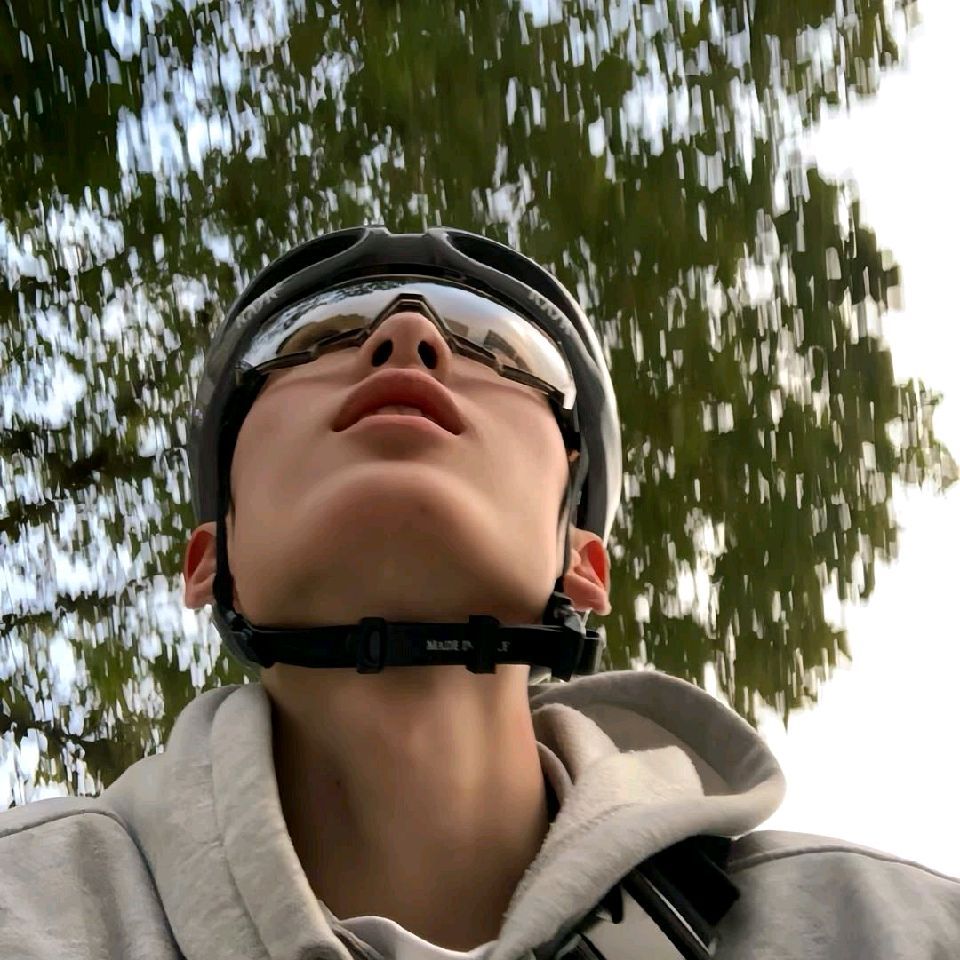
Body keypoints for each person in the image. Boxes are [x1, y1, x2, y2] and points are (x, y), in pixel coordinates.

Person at [1, 226, 958, 960]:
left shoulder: (888, 929)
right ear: (208, 562)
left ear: (584, 565)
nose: (407, 336)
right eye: (312, 338)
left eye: (501, 347)